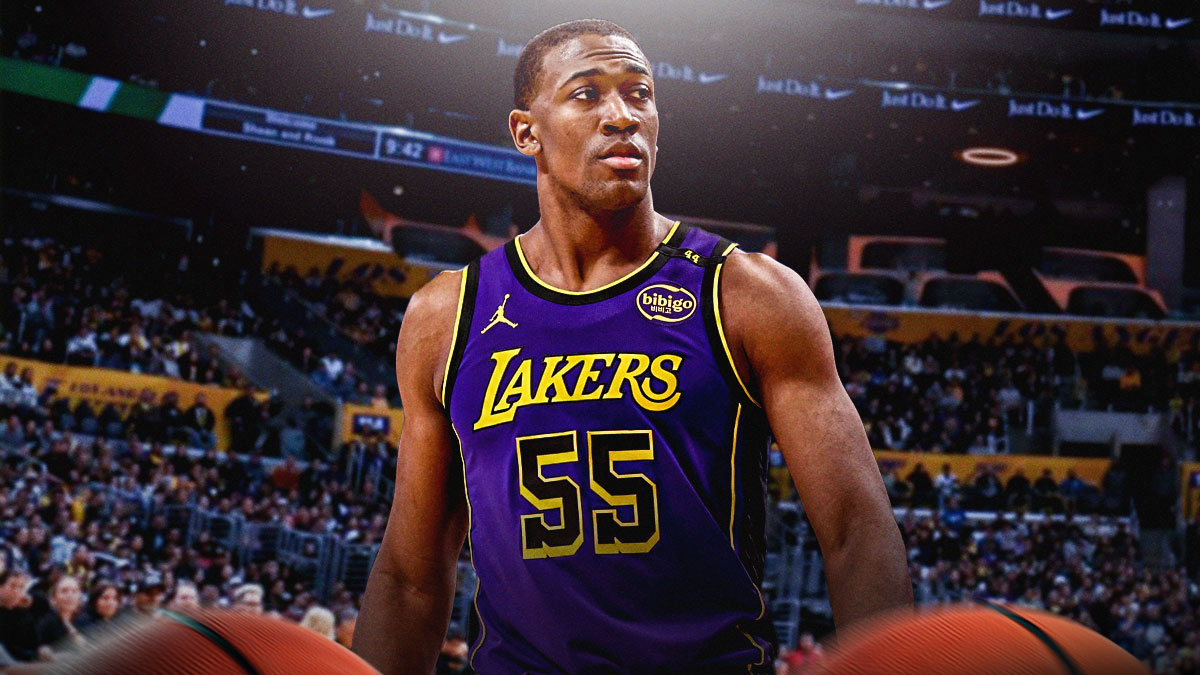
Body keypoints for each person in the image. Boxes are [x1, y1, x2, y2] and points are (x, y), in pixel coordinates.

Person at [354, 19, 910, 673]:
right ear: (526, 131)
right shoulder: (446, 316)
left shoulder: (749, 293)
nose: (622, 116)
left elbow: (857, 531)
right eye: (587, 94)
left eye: (639, 93)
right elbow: (410, 578)